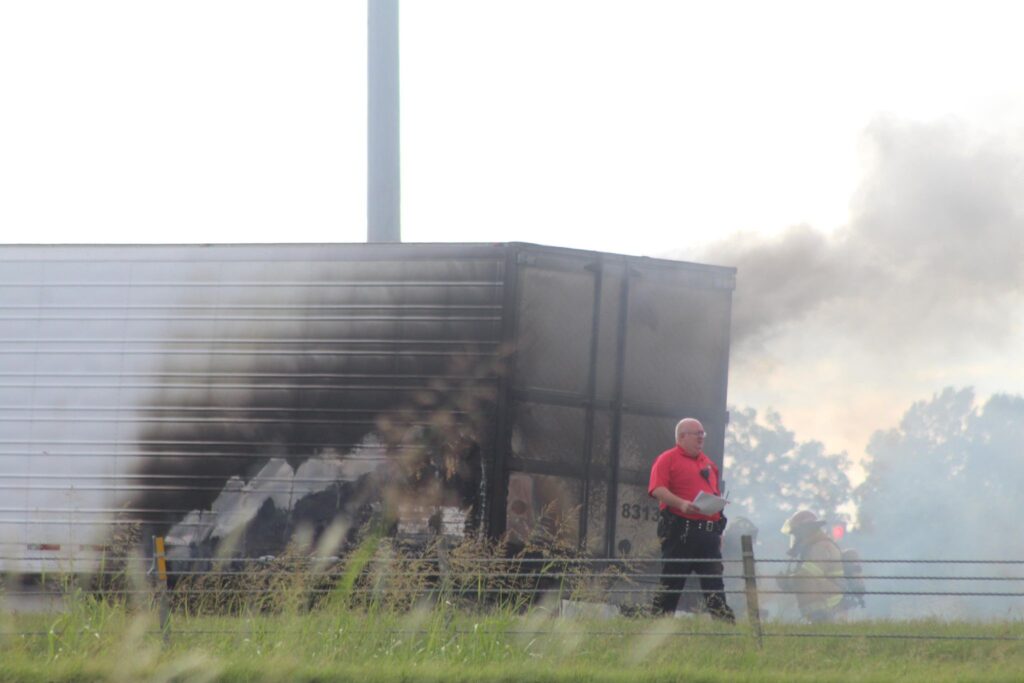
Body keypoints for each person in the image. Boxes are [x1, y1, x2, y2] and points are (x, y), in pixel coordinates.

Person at [648, 418, 734, 622]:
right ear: (681, 436)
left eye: (703, 433)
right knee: (671, 584)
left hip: (708, 535)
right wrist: (682, 504)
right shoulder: (667, 459)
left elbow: (714, 493)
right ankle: (656, 629)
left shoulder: (709, 464)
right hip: (682, 532)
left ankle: (727, 629)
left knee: (715, 587)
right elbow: (657, 489)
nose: (701, 437)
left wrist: (718, 529)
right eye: (697, 433)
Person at [777, 510, 844, 622]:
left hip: (832, 596)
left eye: (797, 533)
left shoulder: (820, 546)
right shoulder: (816, 545)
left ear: (805, 531)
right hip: (830, 591)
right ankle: (815, 619)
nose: (796, 538)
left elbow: (808, 575)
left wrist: (788, 581)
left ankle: (819, 620)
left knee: (801, 580)